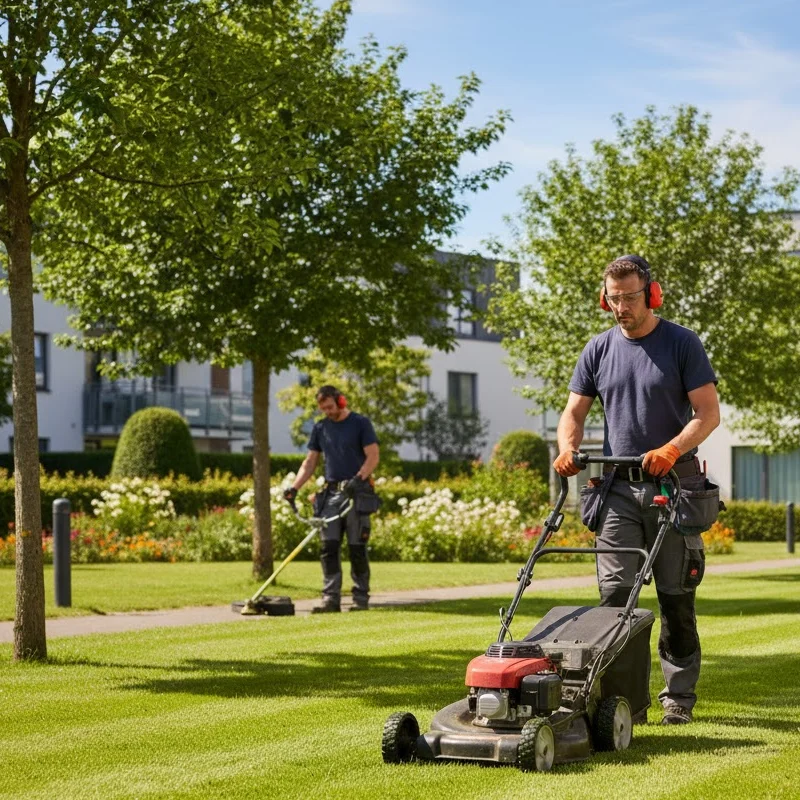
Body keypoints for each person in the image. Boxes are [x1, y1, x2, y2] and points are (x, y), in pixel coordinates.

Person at [553, 254, 720, 726]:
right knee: (614, 599)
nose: (621, 306)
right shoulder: (598, 349)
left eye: (629, 297)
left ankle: (678, 699)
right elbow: (574, 412)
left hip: (673, 488)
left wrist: (670, 449)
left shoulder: (682, 344)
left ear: (652, 294)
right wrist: (568, 447)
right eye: (613, 298)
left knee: (674, 598)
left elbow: (708, 414)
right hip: (617, 490)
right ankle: (626, 702)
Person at [284, 385, 380, 613]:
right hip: (331, 494)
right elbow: (310, 462)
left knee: (357, 547)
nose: (327, 411)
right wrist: (295, 488)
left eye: (330, 407)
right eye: (323, 408)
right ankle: (331, 599)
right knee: (329, 547)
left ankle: (360, 598)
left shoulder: (360, 423)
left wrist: (359, 479)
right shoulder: (321, 428)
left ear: (341, 401)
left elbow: (373, 455)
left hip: (357, 493)